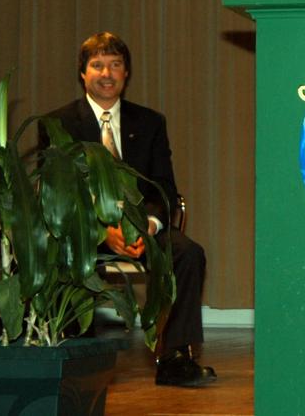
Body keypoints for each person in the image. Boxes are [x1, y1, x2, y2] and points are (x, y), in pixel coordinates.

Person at [45, 31, 216, 388]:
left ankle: (175, 359)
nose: (106, 74)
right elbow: (58, 193)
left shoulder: (150, 122)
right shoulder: (57, 124)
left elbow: (164, 187)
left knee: (188, 253)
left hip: (142, 229)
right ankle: (75, 355)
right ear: (82, 74)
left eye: (115, 65)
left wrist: (149, 226)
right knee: (63, 251)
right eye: (97, 65)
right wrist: (101, 230)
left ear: (127, 73)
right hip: (86, 231)